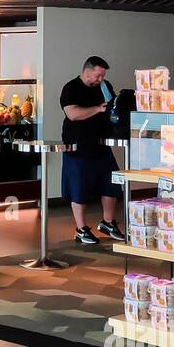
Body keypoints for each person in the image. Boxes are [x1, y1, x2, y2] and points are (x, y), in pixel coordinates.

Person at [59, 55, 126, 245]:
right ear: (87, 71)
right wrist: (97, 109)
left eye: (102, 76)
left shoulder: (104, 87)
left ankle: (108, 222)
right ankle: (81, 229)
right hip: (78, 145)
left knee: (111, 184)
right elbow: (72, 114)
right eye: (97, 76)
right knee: (78, 187)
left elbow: (112, 107)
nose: (100, 80)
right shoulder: (71, 88)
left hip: (101, 144)